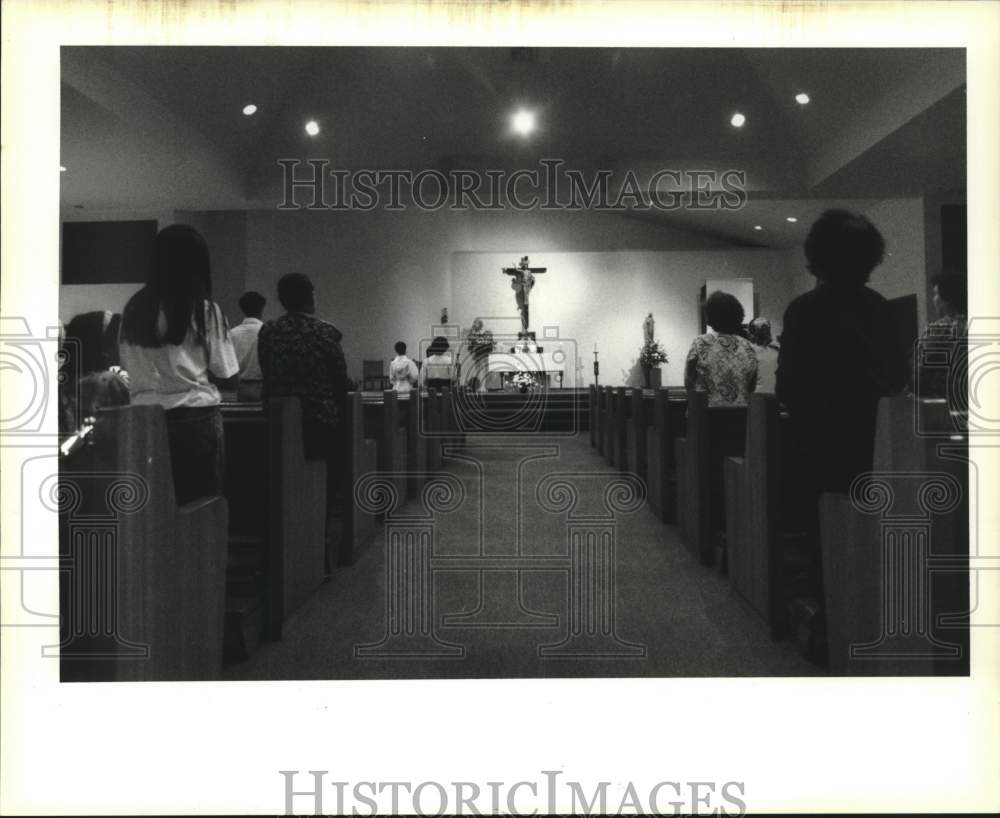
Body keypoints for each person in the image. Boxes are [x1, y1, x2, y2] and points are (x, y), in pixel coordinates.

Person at [776, 210, 908, 637]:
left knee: (819, 534)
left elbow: (788, 388)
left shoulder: (803, 310)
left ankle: (827, 614)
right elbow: (897, 380)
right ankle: (874, 609)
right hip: (873, 442)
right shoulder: (883, 310)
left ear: (816, 257)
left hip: (816, 445)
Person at [119, 225, 239, 505]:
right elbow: (227, 371)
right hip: (195, 418)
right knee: (200, 507)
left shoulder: (133, 308)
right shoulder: (204, 309)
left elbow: (126, 361)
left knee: (152, 507)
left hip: (143, 418)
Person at [258, 273, 349, 570]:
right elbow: (339, 381)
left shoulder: (269, 331)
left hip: (278, 422)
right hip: (318, 421)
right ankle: (322, 548)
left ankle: (284, 547)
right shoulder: (325, 333)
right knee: (329, 485)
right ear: (310, 297)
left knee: (282, 485)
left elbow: (267, 372)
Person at [684, 291, 758, 406]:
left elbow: (689, 380)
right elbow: (752, 386)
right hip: (741, 413)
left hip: (707, 414)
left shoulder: (701, 343)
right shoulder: (748, 346)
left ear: (710, 317)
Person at [915, 272, 967, 400]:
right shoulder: (975, 326)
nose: (934, 299)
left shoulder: (938, 329)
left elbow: (920, 374)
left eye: (935, 294)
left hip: (942, 402)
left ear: (948, 298)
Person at [230, 290, 266, 401]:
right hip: (263, 386)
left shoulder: (232, 334)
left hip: (240, 387)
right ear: (262, 308)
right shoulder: (267, 331)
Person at [747, 317, 780, 394]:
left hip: (772, 395)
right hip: (760, 396)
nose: (765, 332)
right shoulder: (749, 352)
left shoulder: (776, 350)